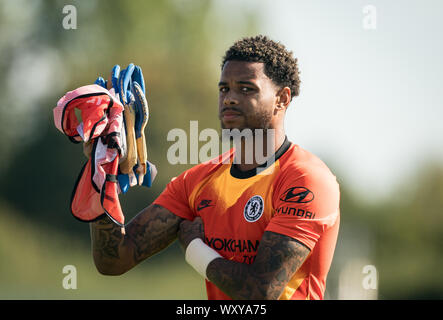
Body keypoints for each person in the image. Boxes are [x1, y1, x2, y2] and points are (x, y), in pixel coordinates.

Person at [89, 35, 340, 300]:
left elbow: (260, 293)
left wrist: (195, 249)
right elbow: (114, 260)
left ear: (282, 98)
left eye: (246, 89)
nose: (230, 98)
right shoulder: (197, 181)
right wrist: (101, 170)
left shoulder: (306, 179)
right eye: (224, 89)